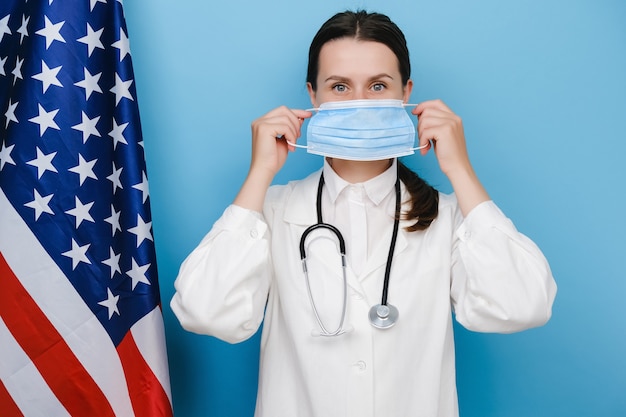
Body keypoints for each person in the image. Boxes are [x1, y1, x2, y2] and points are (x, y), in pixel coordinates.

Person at [171, 10, 557, 417]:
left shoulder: (451, 219)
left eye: (377, 85)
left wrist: (459, 169)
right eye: (339, 86)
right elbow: (206, 312)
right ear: (312, 96)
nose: (358, 103)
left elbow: (523, 305)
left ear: (406, 94)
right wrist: (260, 173)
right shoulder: (269, 211)